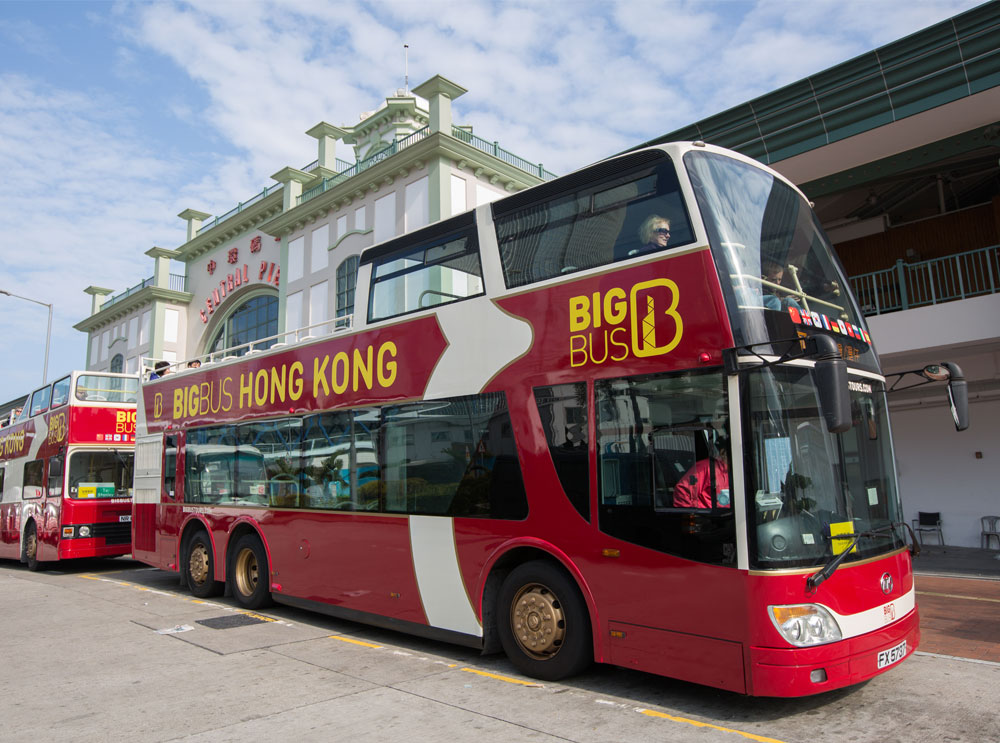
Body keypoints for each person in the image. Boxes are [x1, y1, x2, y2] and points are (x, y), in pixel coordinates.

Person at [673, 437, 730, 509]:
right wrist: (693, 515)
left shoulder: (736, 472)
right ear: (722, 453)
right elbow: (683, 491)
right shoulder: (706, 468)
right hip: (707, 516)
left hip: (727, 515)